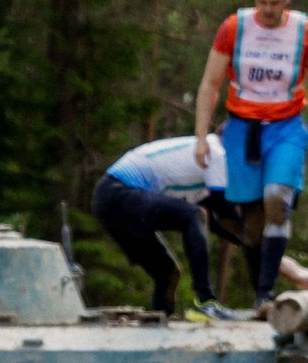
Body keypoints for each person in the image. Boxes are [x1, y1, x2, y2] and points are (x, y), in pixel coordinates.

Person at [191, 0, 308, 309]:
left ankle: (266, 292)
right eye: (262, 3)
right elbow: (211, 82)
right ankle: (260, 296)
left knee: (277, 200)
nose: (269, 10)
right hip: (241, 128)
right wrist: (201, 134)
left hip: (286, 127)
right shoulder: (234, 27)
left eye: (275, 3)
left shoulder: (306, 31)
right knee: (251, 221)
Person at [91, 134, 229, 319]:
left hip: (106, 199)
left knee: (168, 272)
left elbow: (220, 221)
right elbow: (221, 212)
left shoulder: (204, 162)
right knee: (194, 214)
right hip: (119, 189)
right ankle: (205, 302)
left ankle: (159, 322)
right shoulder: (215, 152)